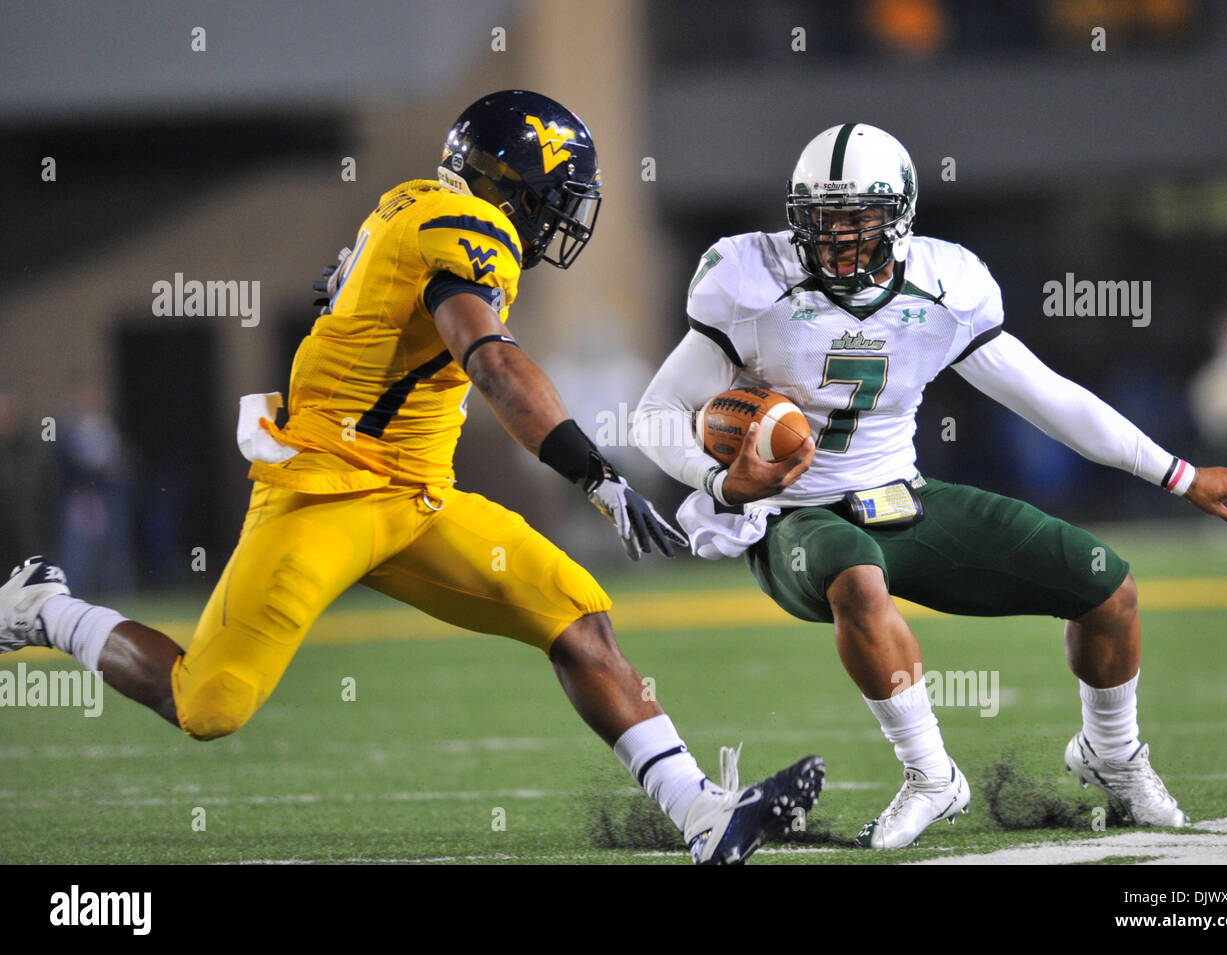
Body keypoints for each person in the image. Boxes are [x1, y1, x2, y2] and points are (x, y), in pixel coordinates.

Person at [0, 90, 824, 865]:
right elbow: (493, 363)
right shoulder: (462, 228)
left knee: (578, 616)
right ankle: (47, 607)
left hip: (418, 496)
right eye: (558, 190)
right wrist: (593, 471)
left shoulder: (411, 205)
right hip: (325, 491)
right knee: (210, 704)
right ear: (514, 185)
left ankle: (701, 815)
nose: (567, 211)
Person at [634, 123, 1227, 849]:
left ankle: (1112, 754)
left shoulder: (945, 286)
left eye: (859, 217)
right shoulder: (750, 283)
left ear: (902, 216)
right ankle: (932, 775)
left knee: (1109, 588)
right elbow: (654, 414)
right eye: (821, 217)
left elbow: (1046, 396)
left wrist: (1178, 472)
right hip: (794, 516)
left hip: (900, 498)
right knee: (857, 576)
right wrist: (722, 481)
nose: (838, 235)